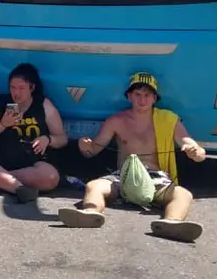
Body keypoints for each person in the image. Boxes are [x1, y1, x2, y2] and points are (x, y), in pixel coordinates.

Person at [59, 72, 206, 243]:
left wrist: (195, 150)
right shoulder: (116, 120)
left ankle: (171, 223)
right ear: (129, 96)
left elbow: (193, 147)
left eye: (147, 95)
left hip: (156, 178)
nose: (142, 100)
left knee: (183, 194)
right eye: (137, 94)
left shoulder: (168, 119)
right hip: (123, 177)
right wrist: (84, 146)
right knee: (94, 186)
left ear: (154, 98)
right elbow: (92, 151)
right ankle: (91, 214)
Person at [0, 63, 66, 202]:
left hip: (30, 165)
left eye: (21, 88)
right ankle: (18, 188)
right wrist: (3, 124)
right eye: (12, 88)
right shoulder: (0, 102)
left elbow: (62, 138)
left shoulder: (43, 104)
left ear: (32, 88)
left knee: (51, 177)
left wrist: (48, 139)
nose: (16, 93)